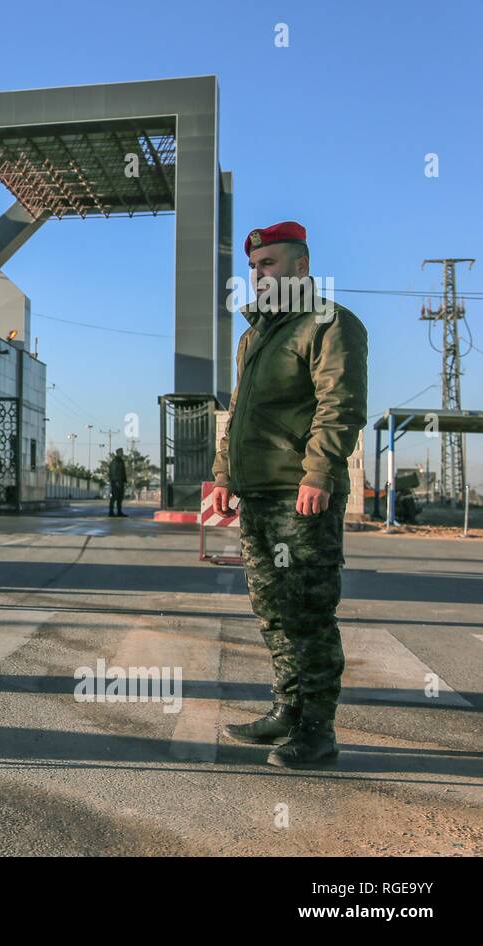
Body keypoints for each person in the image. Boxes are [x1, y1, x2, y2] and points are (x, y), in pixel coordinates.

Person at [211, 222, 368, 768]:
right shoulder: (253, 336)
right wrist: (224, 477)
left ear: (301, 267)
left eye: (269, 264)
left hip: (299, 495)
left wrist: (318, 474)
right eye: (254, 267)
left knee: (307, 612)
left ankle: (318, 731)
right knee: (273, 609)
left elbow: (339, 405)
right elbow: (237, 415)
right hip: (256, 494)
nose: (258, 275)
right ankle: (288, 709)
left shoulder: (330, 323)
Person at [107, 448, 127, 517]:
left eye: (122, 452)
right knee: (114, 497)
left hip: (120, 482)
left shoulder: (121, 461)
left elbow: (122, 472)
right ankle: (111, 512)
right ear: (118, 453)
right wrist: (116, 482)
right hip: (116, 483)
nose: (122, 453)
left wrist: (124, 481)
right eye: (121, 452)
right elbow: (113, 472)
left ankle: (119, 512)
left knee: (120, 498)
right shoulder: (115, 461)